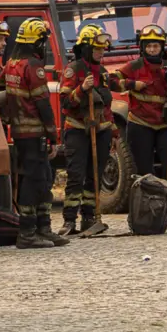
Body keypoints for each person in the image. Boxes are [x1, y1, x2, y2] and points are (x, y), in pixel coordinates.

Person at [0, 18, 64, 249]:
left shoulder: (11, 64)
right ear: (36, 43)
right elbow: (43, 103)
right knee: (34, 180)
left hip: (19, 133)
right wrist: (53, 135)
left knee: (43, 177)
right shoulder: (33, 66)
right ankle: (27, 233)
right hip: (35, 134)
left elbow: (0, 87)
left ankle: (44, 228)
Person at [114, 24, 167, 224]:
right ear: (143, 47)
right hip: (140, 124)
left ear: (162, 47)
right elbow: (110, 81)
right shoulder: (134, 66)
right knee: (144, 170)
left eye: (156, 46)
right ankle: (146, 211)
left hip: (165, 124)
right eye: (149, 46)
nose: (153, 50)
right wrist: (131, 84)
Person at [58, 24, 116, 236]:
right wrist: (81, 89)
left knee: (95, 175)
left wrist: (113, 130)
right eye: (97, 49)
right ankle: (69, 220)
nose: (101, 53)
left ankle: (89, 217)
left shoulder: (103, 72)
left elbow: (107, 106)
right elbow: (65, 102)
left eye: (103, 49)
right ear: (87, 48)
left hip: (101, 130)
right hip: (77, 129)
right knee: (76, 175)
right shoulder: (74, 69)